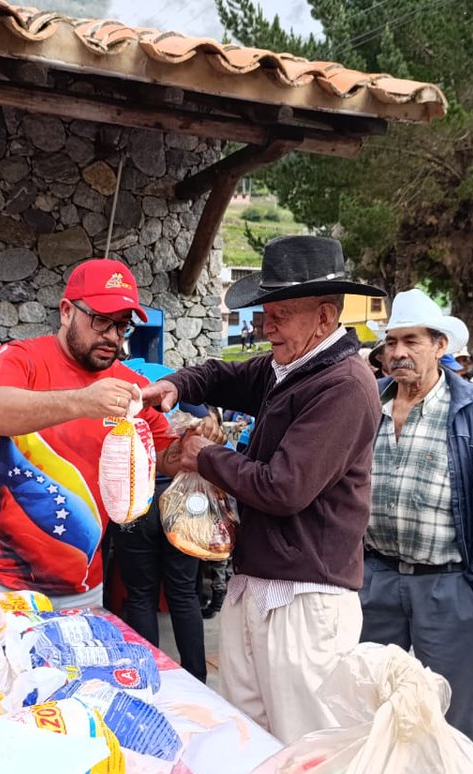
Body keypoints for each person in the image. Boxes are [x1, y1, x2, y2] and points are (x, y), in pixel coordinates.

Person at [141, 235, 382, 744]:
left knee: (304, 745)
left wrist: (204, 457)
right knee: (249, 732)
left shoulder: (343, 385)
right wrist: (176, 385)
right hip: (263, 579)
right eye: (264, 311)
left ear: (323, 316)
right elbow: (222, 374)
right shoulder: (288, 366)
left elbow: (284, 488)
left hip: (306, 593)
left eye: (280, 313)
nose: (265, 325)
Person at [0, 260, 182, 609]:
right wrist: (82, 401)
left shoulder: (134, 385)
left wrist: (198, 440)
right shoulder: (21, 357)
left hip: (83, 588)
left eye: (122, 327)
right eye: (101, 321)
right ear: (66, 312)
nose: (112, 336)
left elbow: (168, 453)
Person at [359, 289, 473, 743]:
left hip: (446, 584)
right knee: (375, 701)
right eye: (391, 343)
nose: (398, 353)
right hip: (377, 579)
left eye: (411, 341)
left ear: (440, 345)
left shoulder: (470, 410)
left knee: (449, 712)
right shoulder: (371, 401)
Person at [112, 357, 207, 682]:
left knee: (140, 594)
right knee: (184, 593)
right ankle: (196, 678)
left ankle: (149, 676)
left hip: (137, 502)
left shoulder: (121, 388)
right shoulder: (181, 384)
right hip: (183, 502)